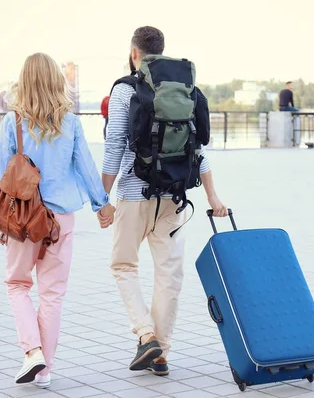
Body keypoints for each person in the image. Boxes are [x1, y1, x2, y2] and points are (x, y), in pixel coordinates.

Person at [102, 26, 228, 377]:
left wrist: (101, 197)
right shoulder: (187, 88)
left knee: (124, 266)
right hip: (174, 194)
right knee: (169, 274)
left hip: (132, 193)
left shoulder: (125, 90)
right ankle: (161, 353)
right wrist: (213, 195)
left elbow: (114, 146)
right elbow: (200, 148)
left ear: (134, 53)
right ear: (161, 51)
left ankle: (146, 335)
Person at [0, 52, 115, 389]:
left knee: (17, 284)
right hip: (61, 218)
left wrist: (0, 221)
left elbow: (1, 176)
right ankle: (45, 371)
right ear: (56, 81)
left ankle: (32, 352)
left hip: (22, 217)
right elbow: (87, 167)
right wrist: (102, 205)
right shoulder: (71, 122)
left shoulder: (12, 121)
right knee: (53, 294)